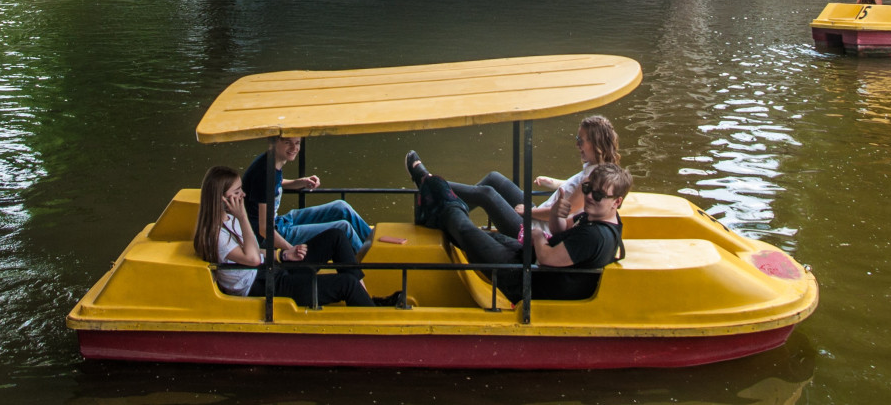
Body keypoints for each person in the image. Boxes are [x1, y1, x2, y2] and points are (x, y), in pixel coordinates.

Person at [410, 161, 629, 303]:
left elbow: (548, 258)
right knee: (475, 236)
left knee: (461, 226)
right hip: (525, 259)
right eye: (588, 190)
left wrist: (536, 235)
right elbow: (559, 229)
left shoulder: (595, 236)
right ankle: (433, 202)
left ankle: (431, 186)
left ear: (616, 202)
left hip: (525, 281)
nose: (590, 197)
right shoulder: (595, 216)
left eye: (599, 195)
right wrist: (557, 214)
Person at [193, 165, 392, 307]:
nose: (243, 195)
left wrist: (283, 255)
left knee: (336, 236)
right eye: (238, 192)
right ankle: (372, 317)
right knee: (347, 285)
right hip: (261, 286)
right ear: (222, 199)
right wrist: (243, 216)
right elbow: (252, 259)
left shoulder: (230, 219)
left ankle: (365, 299)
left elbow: (253, 251)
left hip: (271, 270)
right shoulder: (216, 234)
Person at [409, 116, 620, 238]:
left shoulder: (594, 180)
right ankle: (443, 203)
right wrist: (554, 183)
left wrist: (530, 211)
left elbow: (565, 212)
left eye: (581, 140)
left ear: (596, 143)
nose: (577, 145)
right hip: (539, 216)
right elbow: (573, 192)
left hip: (534, 231)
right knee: (494, 179)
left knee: (487, 193)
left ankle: (428, 181)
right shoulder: (597, 168)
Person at [244, 135, 373, 254]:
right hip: (267, 235)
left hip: (279, 222)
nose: (294, 148)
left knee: (341, 207)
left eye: (297, 143)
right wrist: (291, 250)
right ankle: (370, 265)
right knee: (343, 228)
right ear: (273, 142)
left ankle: (375, 245)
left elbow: (274, 184)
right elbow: (264, 229)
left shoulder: (272, 160)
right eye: (287, 142)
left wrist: (299, 182)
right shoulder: (265, 173)